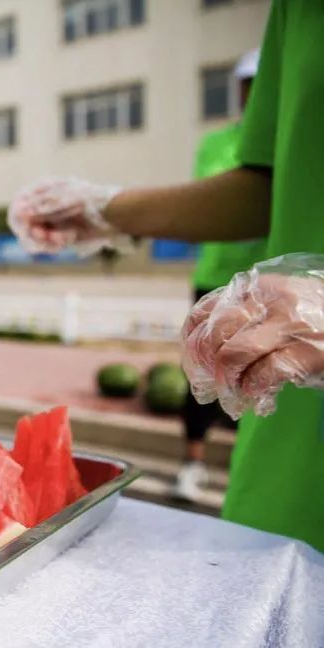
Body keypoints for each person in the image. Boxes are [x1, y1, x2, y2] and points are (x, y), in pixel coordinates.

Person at [7, 0, 324, 552]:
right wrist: (105, 208)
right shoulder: (294, 11)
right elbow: (269, 184)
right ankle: (193, 463)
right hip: (291, 430)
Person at [173, 49, 266, 503]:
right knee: (201, 376)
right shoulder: (217, 144)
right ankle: (192, 464)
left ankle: (249, 473)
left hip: (269, 286)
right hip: (215, 280)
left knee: (261, 380)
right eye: (247, 84)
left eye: (261, 83)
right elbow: (212, 206)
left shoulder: (294, 140)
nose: (253, 93)